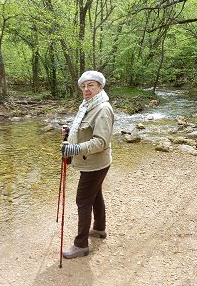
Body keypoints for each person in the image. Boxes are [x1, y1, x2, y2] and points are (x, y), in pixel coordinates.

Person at [61, 70, 114, 259]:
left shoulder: (102, 110)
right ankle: (99, 229)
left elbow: (100, 142)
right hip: (94, 162)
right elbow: (85, 129)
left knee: (83, 201)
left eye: (91, 85)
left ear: (100, 86)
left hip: (95, 164)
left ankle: (81, 245)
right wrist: (70, 130)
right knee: (95, 194)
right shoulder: (88, 105)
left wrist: (74, 149)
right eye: (83, 86)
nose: (86, 89)